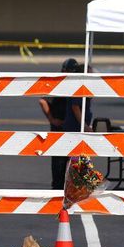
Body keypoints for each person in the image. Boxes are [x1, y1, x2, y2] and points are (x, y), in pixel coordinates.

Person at [40, 58, 77, 189]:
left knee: (73, 165)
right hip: (59, 128)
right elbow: (43, 101)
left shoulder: (76, 84)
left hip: (71, 129)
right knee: (59, 165)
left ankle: (69, 191)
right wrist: (52, 119)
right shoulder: (57, 84)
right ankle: (57, 191)